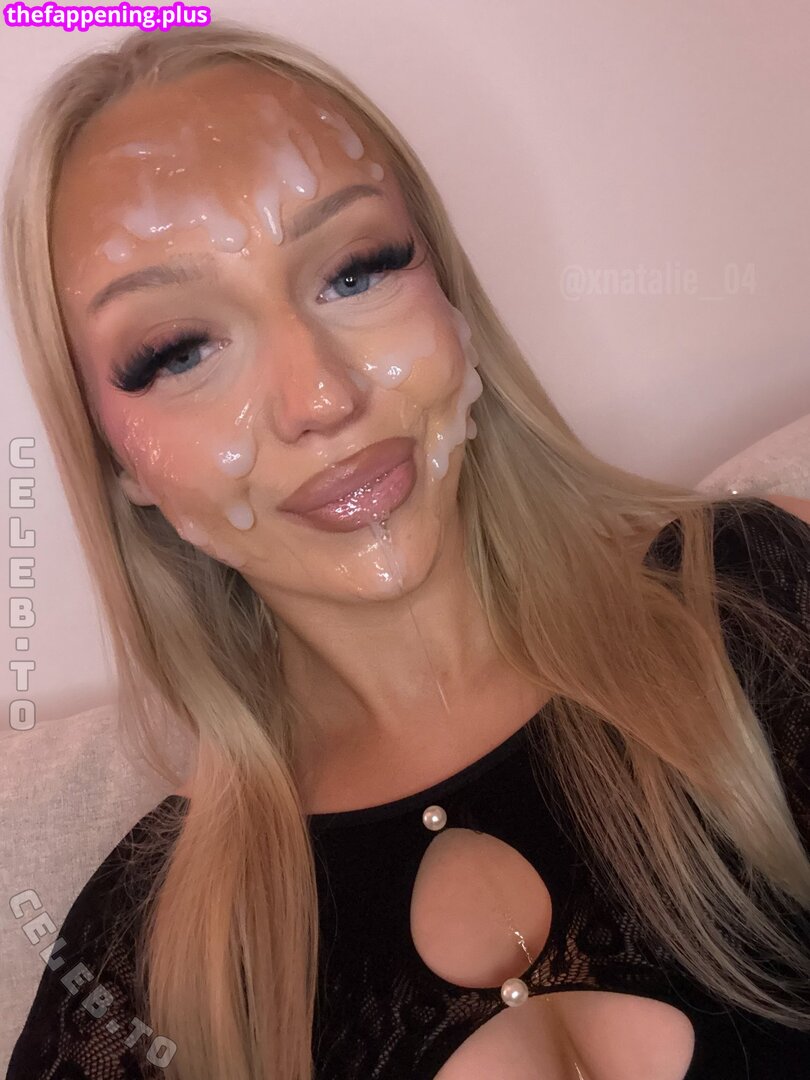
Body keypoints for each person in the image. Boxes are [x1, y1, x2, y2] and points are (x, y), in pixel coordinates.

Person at [3, 20, 809, 1080]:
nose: (322, 398)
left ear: (448, 292)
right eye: (180, 350)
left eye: (355, 271)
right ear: (118, 462)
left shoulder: (766, 604)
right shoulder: (138, 974)